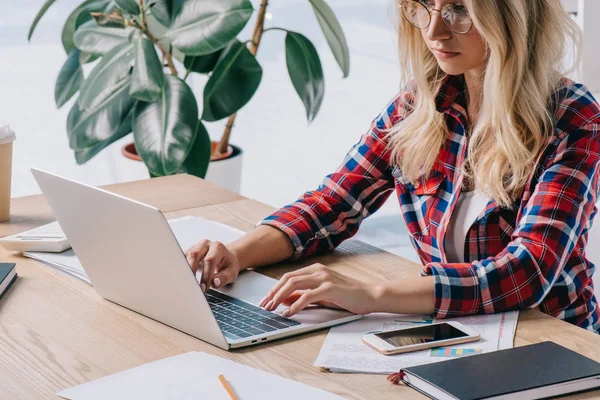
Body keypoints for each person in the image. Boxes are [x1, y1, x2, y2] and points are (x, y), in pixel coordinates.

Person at [186, 0, 600, 333]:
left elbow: (527, 270)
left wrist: (371, 294)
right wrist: (236, 255)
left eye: (458, 10)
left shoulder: (574, 119)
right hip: (455, 329)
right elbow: (332, 202)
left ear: (511, 16)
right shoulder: (422, 103)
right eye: (423, 6)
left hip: (552, 340)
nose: (433, 31)